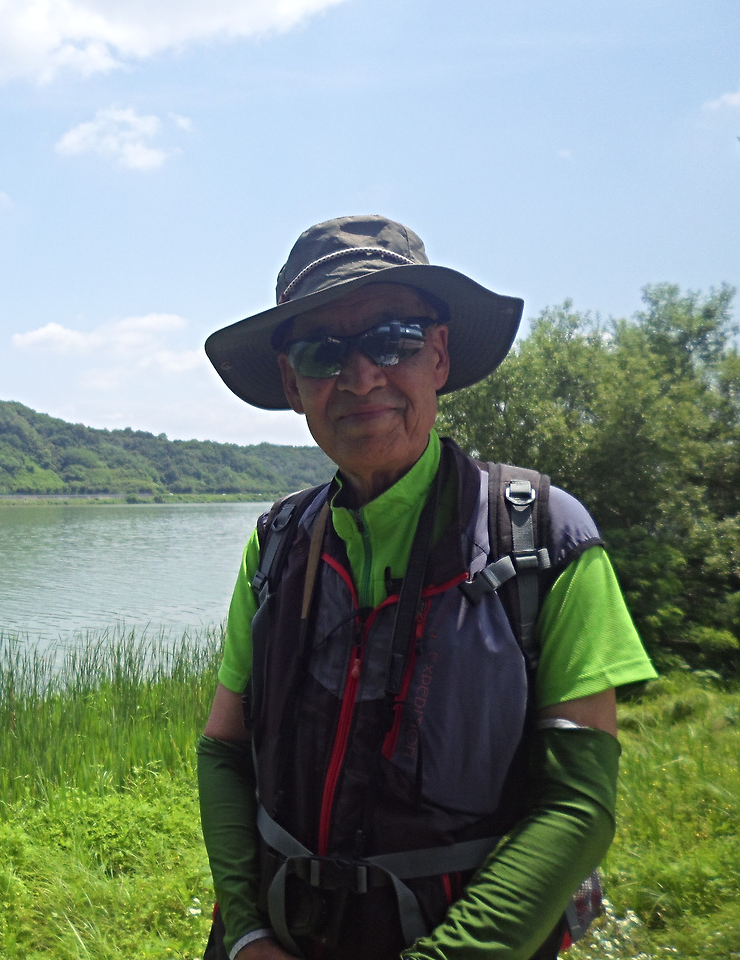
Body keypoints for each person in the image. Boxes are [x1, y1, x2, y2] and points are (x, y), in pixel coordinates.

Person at [197, 215, 657, 960]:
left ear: (438, 354)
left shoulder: (544, 538)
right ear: (291, 382)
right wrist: (247, 932)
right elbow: (225, 748)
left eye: (394, 338)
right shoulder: (276, 543)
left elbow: (577, 804)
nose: (361, 376)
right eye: (321, 351)